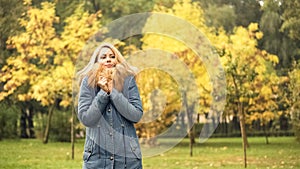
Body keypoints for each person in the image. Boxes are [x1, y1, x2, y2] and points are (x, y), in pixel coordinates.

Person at [76, 43, 143, 169]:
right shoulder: (88, 82)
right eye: (103, 57)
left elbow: (136, 115)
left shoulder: (128, 81)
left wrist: (113, 92)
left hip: (127, 159)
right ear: (96, 61)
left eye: (112, 56)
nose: (108, 59)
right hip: (97, 159)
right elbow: (86, 118)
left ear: (117, 60)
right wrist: (103, 94)